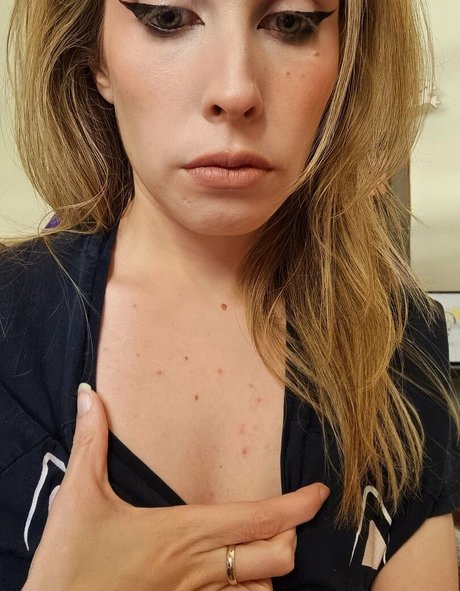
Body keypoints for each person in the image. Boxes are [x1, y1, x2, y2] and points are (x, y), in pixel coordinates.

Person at [1, 0, 459, 589]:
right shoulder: (12, 319)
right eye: (168, 17)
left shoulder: (402, 339)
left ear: (346, 57)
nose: (236, 91)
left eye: (290, 22)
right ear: (98, 59)